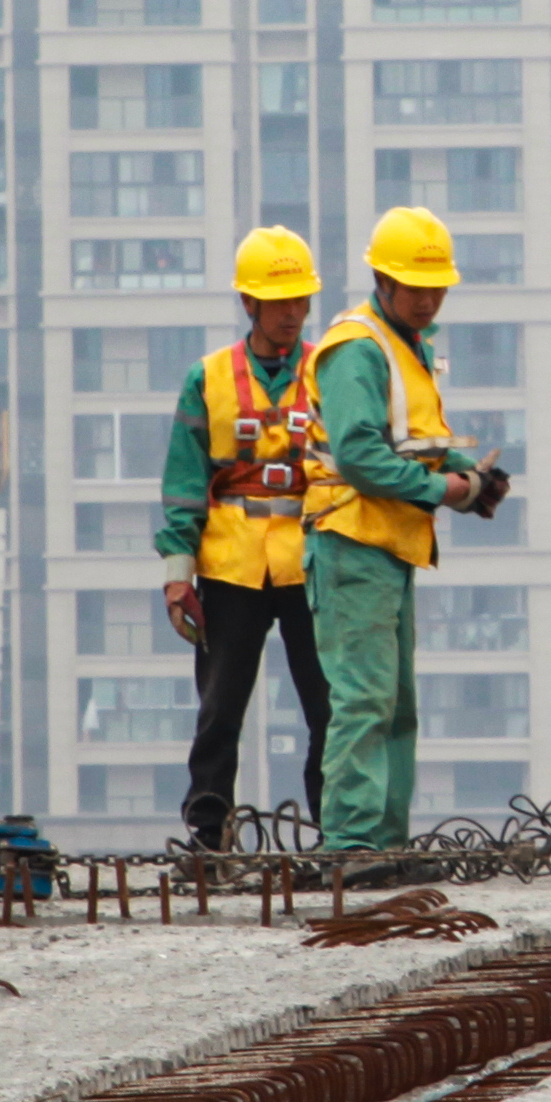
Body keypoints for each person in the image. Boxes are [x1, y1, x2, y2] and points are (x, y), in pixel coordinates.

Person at [302, 205, 510, 860]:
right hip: (350, 542)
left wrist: (464, 480)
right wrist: (441, 490)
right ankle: (353, 847)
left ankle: (383, 845)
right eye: (415, 287)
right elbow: (362, 456)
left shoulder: (402, 347)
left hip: (386, 546)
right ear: (382, 281)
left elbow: (412, 442)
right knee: (364, 701)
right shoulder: (355, 349)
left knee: (395, 707)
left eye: (436, 287)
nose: (427, 299)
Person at [155, 226, 335, 849]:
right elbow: (184, 483)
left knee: (329, 708)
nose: (291, 314)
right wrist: (179, 576)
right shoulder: (206, 379)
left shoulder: (329, 371)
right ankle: (208, 834)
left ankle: (337, 832)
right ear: (249, 303)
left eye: (300, 301)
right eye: (279, 301)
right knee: (219, 710)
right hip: (231, 566)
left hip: (312, 562)